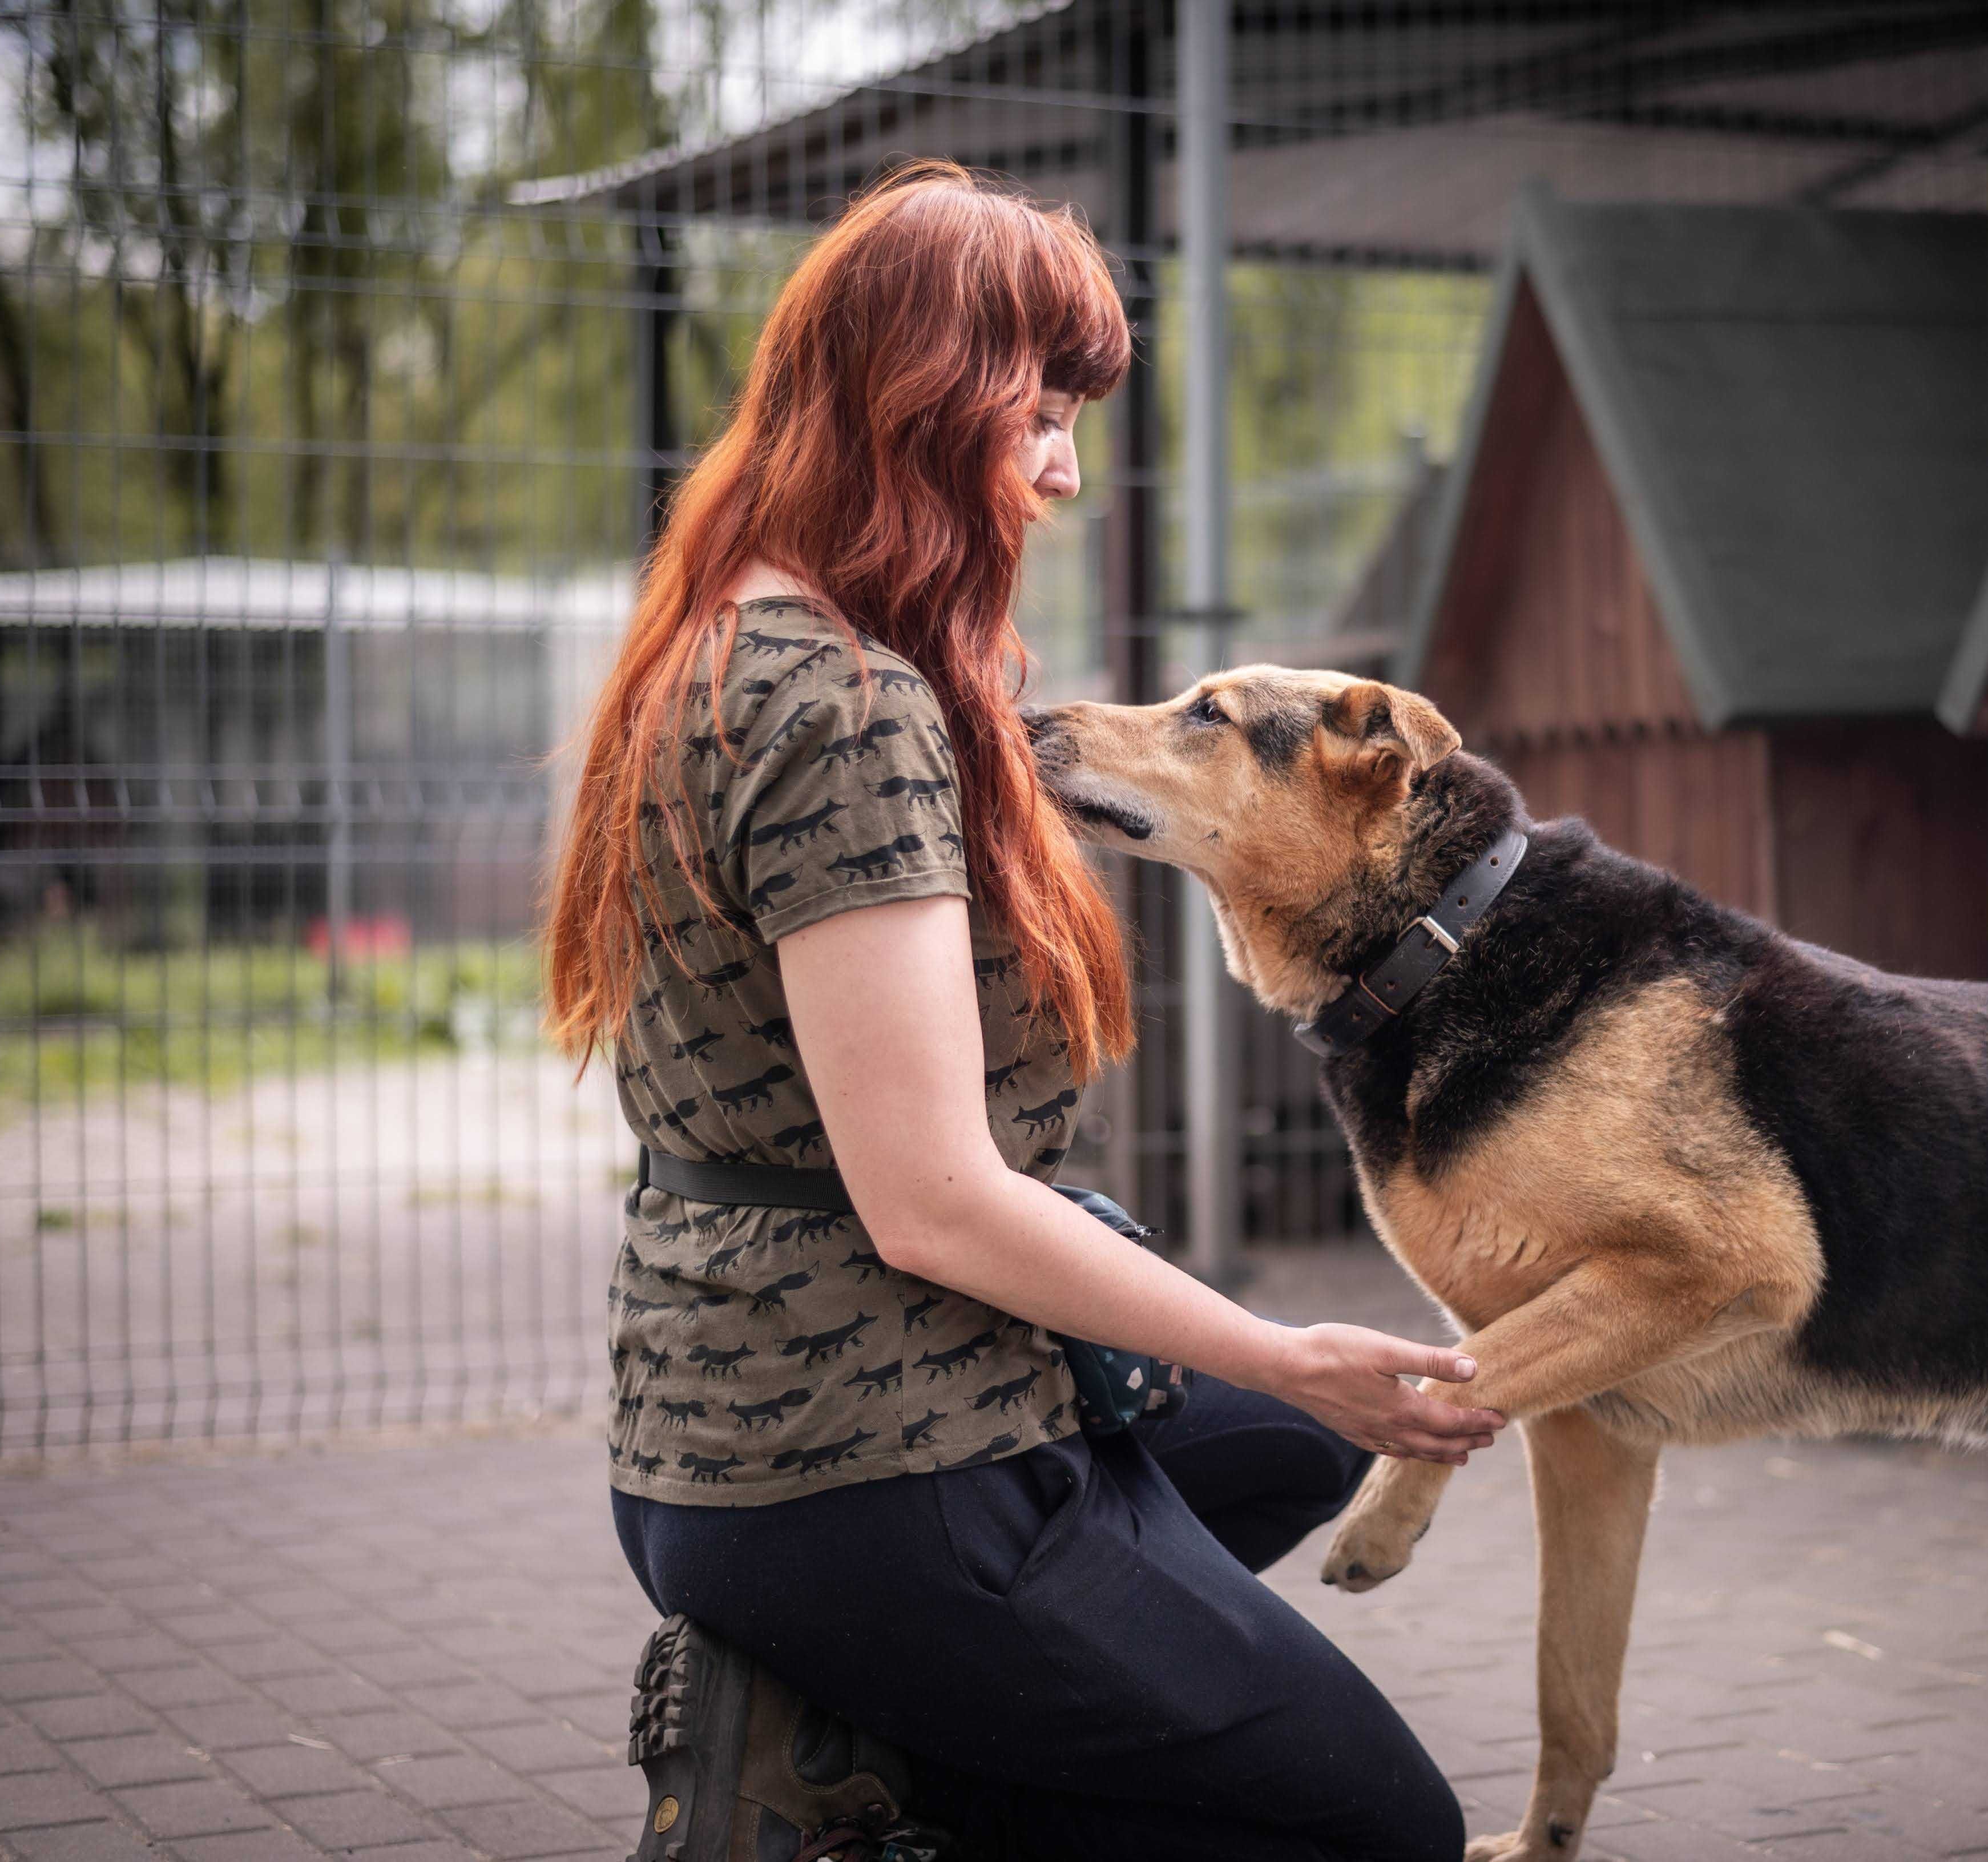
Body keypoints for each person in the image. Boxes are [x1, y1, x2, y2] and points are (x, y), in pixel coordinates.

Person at [539, 163, 1503, 1862]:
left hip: (727, 1421)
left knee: (1277, 1453)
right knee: (1379, 1827)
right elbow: (931, 1200)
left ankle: (876, 1745)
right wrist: (1295, 1347)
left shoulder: (719, 636)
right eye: (1038, 413)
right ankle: (875, 1780)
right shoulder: (844, 709)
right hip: (855, 1464)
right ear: (920, 402)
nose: (1063, 468)